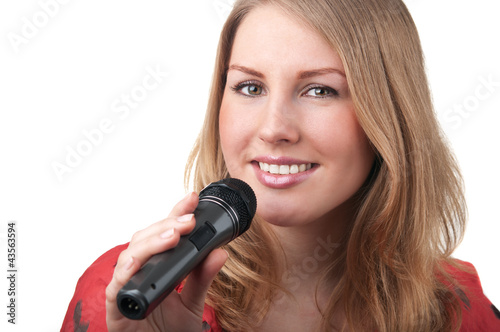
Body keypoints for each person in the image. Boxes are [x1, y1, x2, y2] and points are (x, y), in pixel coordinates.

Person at [61, 0, 500, 331]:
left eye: (319, 91)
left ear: (389, 114)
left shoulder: (458, 308)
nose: (274, 129)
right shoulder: (120, 295)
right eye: (250, 87)